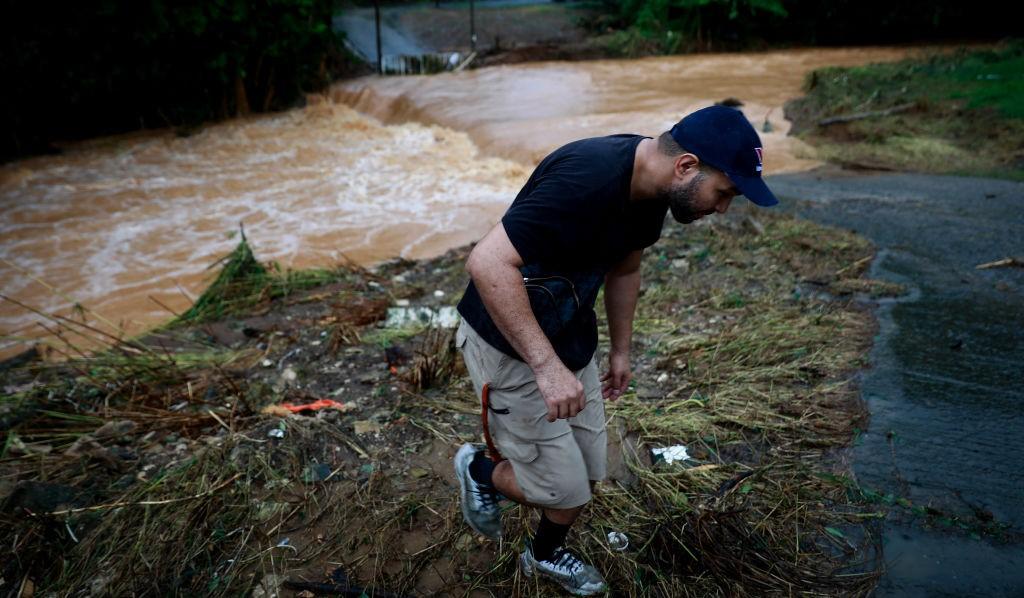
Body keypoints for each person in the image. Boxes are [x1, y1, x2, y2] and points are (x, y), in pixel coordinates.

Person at [452, 105, 779, 595]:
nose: (723, 208)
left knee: (588, 471)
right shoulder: (587, 179)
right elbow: (487, 262)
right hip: (511, 344)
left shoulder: (653, 189)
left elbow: (625, 269)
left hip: (571, 336)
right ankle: (478, 468)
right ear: (687, 166)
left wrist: (621, 351)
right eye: (725, 192)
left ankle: (542, 555)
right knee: (562, 490)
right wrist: (546, 367)